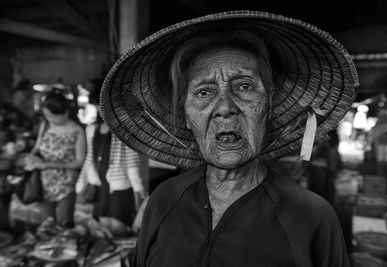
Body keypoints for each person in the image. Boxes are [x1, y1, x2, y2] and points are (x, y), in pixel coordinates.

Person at [100, 11, 358, 267]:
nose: (225, 107)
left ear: (269, 103)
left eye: (244, 86)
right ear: (187, 116)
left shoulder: (312, 217)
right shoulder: (164, 199)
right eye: (204, 92)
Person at [76, 85, 149, 236]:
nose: (99, 109)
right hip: (99, 184)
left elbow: (131, 161)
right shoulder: (91, 129)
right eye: (97, 105)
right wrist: (81, 183)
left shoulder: (123, 129)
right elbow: (90, 158)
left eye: (102, 105)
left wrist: (138, 187)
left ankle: (120, 258)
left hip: (119, 186)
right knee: (104, 227)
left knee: (118, 227)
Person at [26, 92, 86, 227]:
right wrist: (31, 157)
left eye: (53, 116)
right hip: (43, 183)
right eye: (47, 116)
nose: (50, 119)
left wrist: (50, 164)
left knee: (65, 223)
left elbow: (80, 161)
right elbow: (36, 149)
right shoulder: (45, 125)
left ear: (65, 113)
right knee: (47, 224)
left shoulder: (77, 131)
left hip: (66, 184)